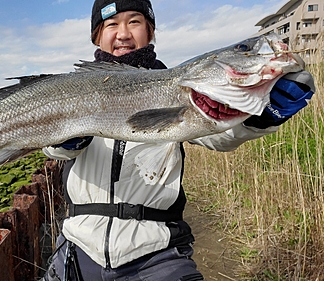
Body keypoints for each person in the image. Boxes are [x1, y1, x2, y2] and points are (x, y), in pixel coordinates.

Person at [41, 0, 315, 280]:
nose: (123, 34)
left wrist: (260, 117)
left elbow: (220, 134)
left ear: (151, 32)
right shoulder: (72, 88)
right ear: (97, 36)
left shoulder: (182, 84)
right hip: (78, 248)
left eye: (134, 22)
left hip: (156, 253)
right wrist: (64, 142)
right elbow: (51, 148)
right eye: (111, 24)